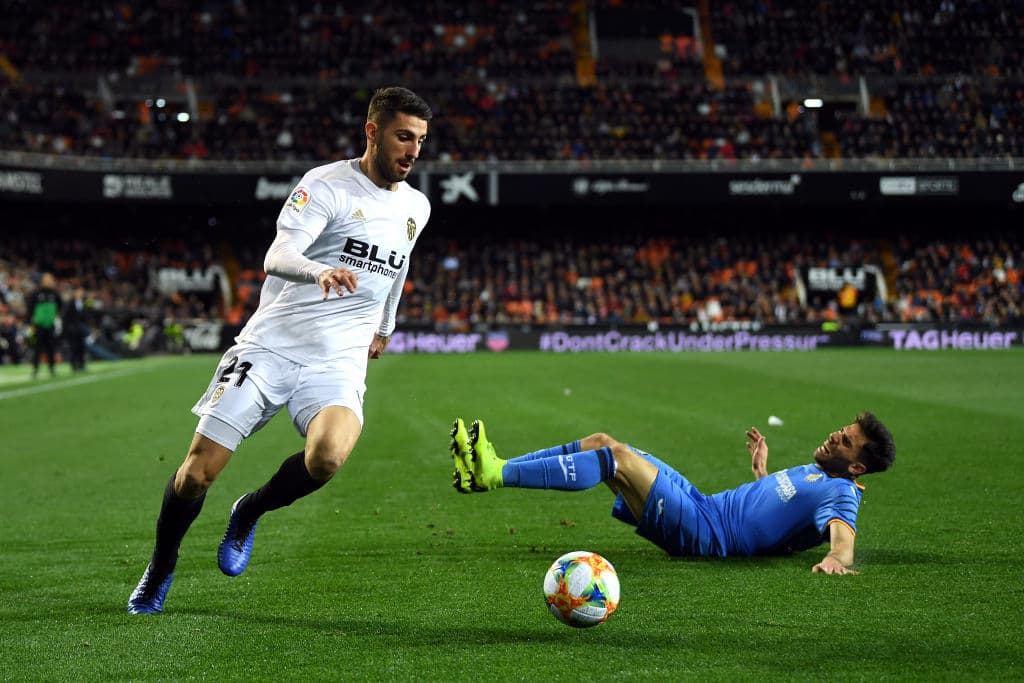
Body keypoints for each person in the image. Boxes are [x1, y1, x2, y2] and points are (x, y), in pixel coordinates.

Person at [128, 86, 433, 614]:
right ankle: (162, 563)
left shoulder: (416, 207)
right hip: (271, 347)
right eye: (404, 137)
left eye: (421, 141)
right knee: (196, 473)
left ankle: (249, 512)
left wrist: (385, 325)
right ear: (373, 131)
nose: (413, 151)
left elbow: (399, 266)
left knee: (328, 457)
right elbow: (278, 254)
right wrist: (321, 271)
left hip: (337, 360)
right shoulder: (327, 185)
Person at [449, 411, 895, 574]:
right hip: (704, 504)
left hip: (707, 534)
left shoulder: (842, 495)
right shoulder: (822, 472)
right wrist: (760, 472)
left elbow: (843, 538)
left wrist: (837, 561)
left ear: (857, 467)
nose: (834, 437)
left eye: (845, 442)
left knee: (617, 460)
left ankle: (495, 473)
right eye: (840, 431)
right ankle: (489, 468)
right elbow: (780, 515)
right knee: (602, 442)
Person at [26, 272, 61, 379]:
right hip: (39, 324)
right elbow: (30, 308)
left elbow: (60, 305)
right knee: (38, 347)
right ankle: (35, 369)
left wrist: (55, 317)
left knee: (51, 347)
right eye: (47, 279)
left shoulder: (54, 293)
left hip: (50, 324)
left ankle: (52, 368)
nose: (49, 281)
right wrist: (30, 322)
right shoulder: (36, 293)